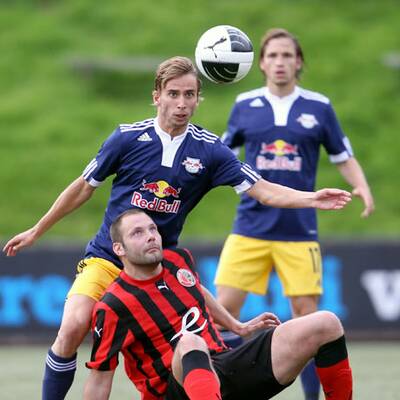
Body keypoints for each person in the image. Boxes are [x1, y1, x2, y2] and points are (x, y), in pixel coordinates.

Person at [2, 56, 351, 400]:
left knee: (191, 347)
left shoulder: (210, 151)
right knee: (73, 326)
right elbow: (83, 187)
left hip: (160, 267)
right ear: (157, 96)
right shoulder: (126, 138)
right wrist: (37, 230)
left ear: (198, 99)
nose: (181, 103)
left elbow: (262, 189)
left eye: (189, 95)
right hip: (108, 259)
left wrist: (311, 198)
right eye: (173, 94)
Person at [214, 28, 374, 400]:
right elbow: (222, 154)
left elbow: (342, 155)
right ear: (261, 63)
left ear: (299, 62)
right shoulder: (245, 104)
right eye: (272, 55)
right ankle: (221, 390)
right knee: (224, 313)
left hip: (299, 232)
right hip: (249, 227)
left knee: (307, 318)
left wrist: (362, 187)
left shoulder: (319, 106)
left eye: (287, 55)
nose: (280, 62)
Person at [84, 208, 353, 400]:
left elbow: (196, 289)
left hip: (222, 367)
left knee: (326, 323)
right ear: (119, 249)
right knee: (190, 342)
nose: (151, 236)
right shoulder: (113, 305)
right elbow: (99, 379)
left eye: (152, 228)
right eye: (137, 233)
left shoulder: (178, 260)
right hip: (172, 391)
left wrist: (237, 326)